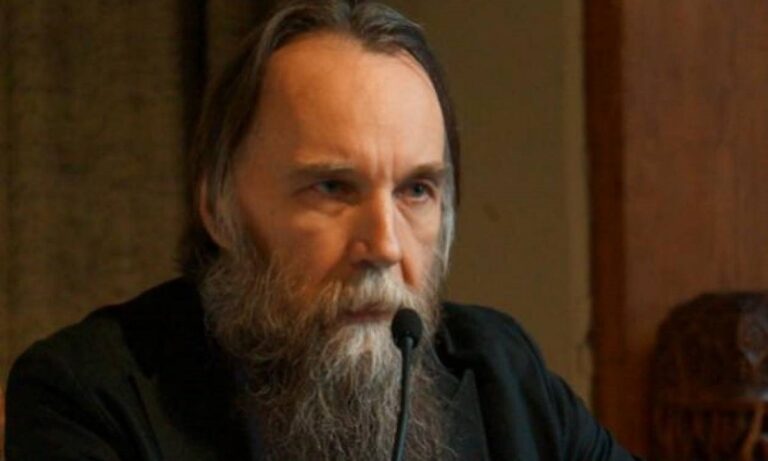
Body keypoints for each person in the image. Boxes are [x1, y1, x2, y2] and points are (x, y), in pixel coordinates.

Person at [5, 1, 639, 460]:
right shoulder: (91, 395)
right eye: (333, 188)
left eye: (416, 190)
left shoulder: (502, 376)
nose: (384, 245)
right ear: (219, 208)